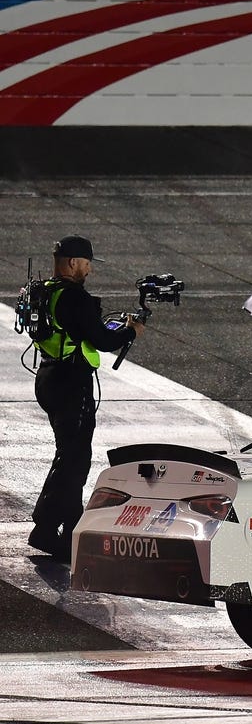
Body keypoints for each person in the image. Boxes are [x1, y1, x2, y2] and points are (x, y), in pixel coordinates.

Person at [28, 235, 144, 561]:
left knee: (70, 456)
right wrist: (130, 331)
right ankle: (47, 529)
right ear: (72, 262)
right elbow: (102, 340)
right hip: (70, 384)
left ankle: (68, 528)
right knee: (73, 459)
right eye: (86, 263)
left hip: (50, 377)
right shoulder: (74, 297)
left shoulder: (47, 290)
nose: (89, 269)